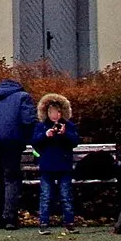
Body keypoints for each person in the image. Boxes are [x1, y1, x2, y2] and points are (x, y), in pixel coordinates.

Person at [0, 78, 39, 227]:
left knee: (0, 178)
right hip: (12, 141)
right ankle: (10, 217)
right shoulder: (23, 97)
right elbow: (28, 120)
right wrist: (30, 138)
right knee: (12, 178)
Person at [32, 92, 81, 232]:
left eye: (57, 112)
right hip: (47, 166)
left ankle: (69, 223)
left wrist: (64, 134)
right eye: (51, 112)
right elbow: (35, 141)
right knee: (46, 196)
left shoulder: (69, 126)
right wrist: (46, 135)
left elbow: (75, 142)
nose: (54, 115)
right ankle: (43, 223)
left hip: (64, 166)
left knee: (66, 196)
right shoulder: (41, 126)